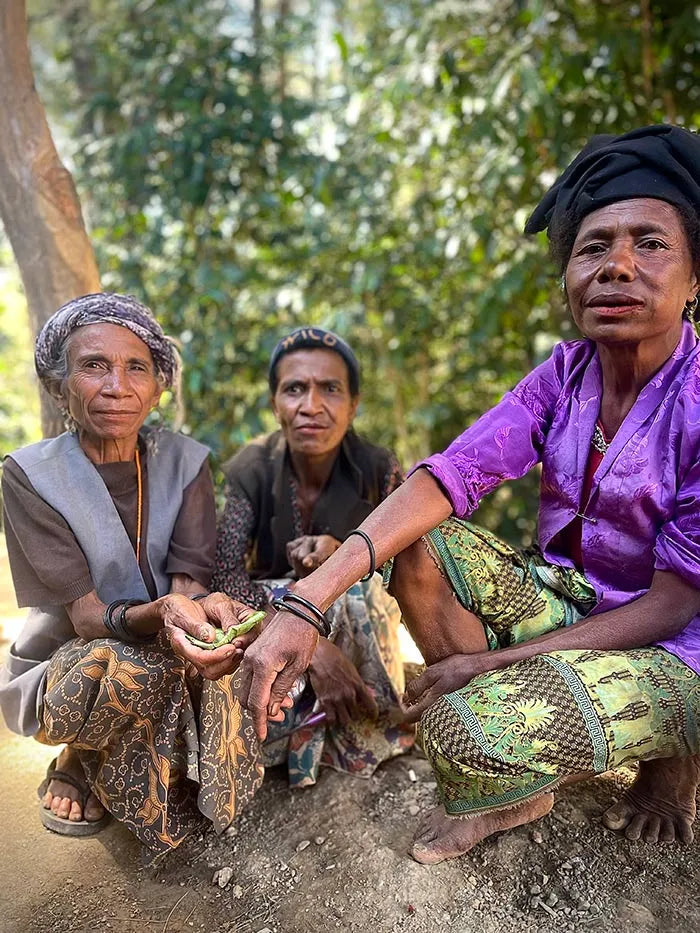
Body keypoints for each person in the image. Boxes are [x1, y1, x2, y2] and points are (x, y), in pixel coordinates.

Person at [231, 124, 700, 861]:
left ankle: (673, 767)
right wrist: (303, 603)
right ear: (569, 276)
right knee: (413, 539)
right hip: (575, 597)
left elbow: (676, 600)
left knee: (459, 728)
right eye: (592, 247)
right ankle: (511, 784)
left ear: (695, 276)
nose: (616, 266)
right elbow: (449, 475)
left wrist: (488, 666)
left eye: (650, 243)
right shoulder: (564, 375)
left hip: (676, 642)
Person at [0, 293, 263, 850]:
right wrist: (167, 613)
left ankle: (139, 764)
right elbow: (88, 615)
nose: (117, 385)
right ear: (59, 385)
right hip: (76, 654)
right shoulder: (29, 475)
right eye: (93, 365)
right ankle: (82, 753)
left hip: (165, 642)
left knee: (227, 653)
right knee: (118, 665)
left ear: (158, 386)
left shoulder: (185, 460)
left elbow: (190, 579)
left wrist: (197, 612)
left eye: (136, 367)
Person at [212, 327, 413, 786]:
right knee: (260, 603)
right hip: (272, 626)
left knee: (364, 593)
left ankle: (355, 728)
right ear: (274, 402)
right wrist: (313, 644)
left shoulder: (378, 469)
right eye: (295, 389)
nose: (311, 405)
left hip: (353, 627)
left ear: (353, 403)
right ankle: (289, 733)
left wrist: (346, 558)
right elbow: (225, 576)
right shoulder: (250, 470)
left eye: (330, 389)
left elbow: (410, 570)